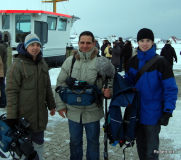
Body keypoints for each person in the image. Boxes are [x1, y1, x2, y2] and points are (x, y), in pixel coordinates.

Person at [55, 31, 112, 160]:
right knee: (75, 142)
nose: (85, 46)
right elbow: (60, 83)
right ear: (78, 43)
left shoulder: (101, 62)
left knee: (93, 142)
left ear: (94, 43)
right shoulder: (70, 61)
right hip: (73, 111)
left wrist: (108, 91)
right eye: (82, 42)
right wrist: (60, 105)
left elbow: (110, 81)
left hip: (93, 110)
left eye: (88, 43)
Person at [125, 28, 178, 160]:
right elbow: (128, 84)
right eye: (142, 40)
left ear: (153, 42)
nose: (145, 43)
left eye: (148, 40)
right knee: (141, 147)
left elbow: (170, 89)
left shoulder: (161, 63)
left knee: (152, 151)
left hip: (153, 114)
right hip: (136, 112)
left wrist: (167, 111)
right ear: (137, 42)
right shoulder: (132, 62)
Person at [5, 33, 56, 160]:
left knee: (39, 144)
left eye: (38, 45)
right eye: (32, 45)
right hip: (23, 118)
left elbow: (47, 87)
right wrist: (11, 117)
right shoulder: (17, 65)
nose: (35, 47)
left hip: (39, 116)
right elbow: (11, 92)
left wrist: (51, 105)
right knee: (23, 149)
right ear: (26, 46)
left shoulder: (42, 63)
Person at [0, 32, 8, 108]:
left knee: (1, 86)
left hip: (1, 68)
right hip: (4, 67)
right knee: (2, 85)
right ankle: (4, 101)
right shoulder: (4, 45)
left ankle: (2, 102)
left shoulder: (0, 46)